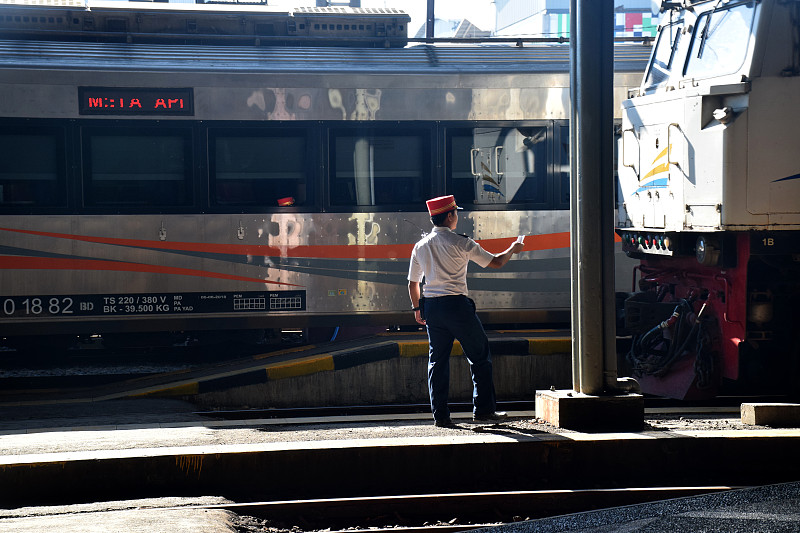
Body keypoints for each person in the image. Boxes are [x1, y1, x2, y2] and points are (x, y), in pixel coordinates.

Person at [407, 195, 524, 427]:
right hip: (457, 307)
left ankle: (440, 416)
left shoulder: (420, 246)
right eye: (456, 213)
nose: (457, 216)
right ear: (450, 216)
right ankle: (483, 411)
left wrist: (417, 309)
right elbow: (497, 262)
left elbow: (413, 283)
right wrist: (513, 248)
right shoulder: (462, 243)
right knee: (479, 356)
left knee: (437, 361)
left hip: (432, 307)